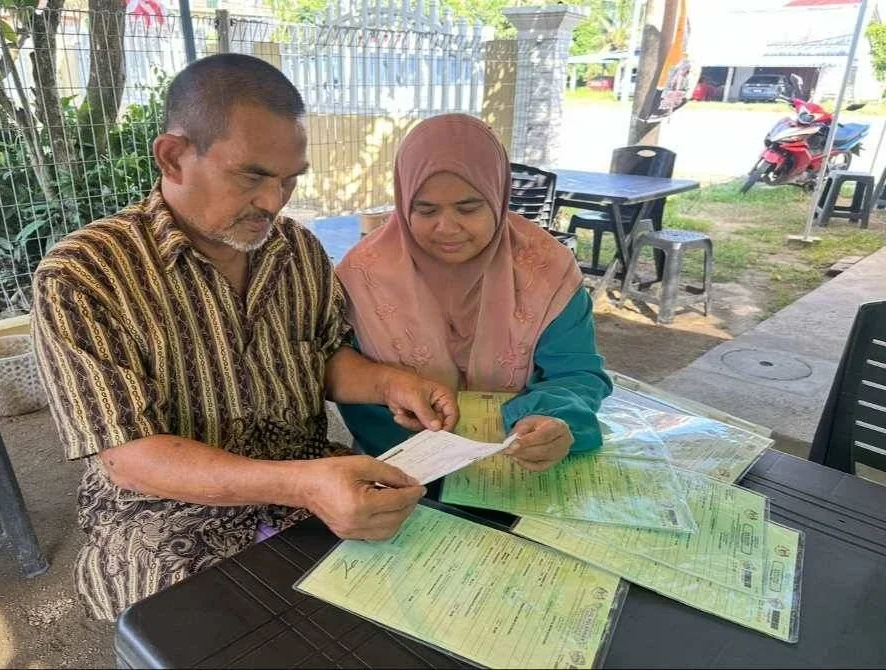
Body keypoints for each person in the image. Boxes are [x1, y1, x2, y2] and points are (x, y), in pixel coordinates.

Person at [31, 54, 458, 621]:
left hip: (308, 469)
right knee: (215, 627)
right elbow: (127, 456)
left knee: (422, 581)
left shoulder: (297, 250)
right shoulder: (84, 276)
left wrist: (389, 383)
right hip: (162, 510)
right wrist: (303, 486)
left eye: (289, 180)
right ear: (173, 156)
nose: (273, 201)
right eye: (252, 176)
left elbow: (324, 356)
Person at [336, 114, 612, 471]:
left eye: (469, 208)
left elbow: (577, 373)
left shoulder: (546, 272)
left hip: (522, 467)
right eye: (425, 209)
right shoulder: (362, 277)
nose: (447, 228)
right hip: (400, 471)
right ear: (404, 206)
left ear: (498, 198)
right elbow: (337, 370)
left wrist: (552, 420)